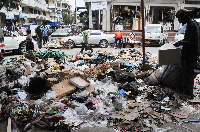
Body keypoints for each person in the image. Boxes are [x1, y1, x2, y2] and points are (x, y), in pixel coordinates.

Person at [174, 8, 200, 98]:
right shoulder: (190, 24)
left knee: (189, 74)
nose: (180, 21)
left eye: (180, 19)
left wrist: (180, 43)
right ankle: (186, 91)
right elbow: (188, 39)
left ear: (185, 17)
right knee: (185, 73)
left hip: (191, 55)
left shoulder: (192, 25)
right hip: (189, 54)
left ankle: (189, 94)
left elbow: (192, 41)